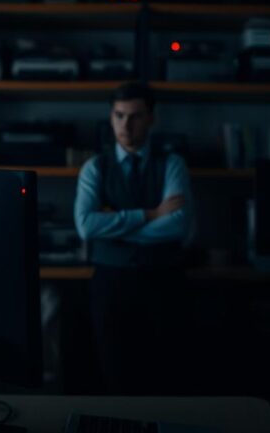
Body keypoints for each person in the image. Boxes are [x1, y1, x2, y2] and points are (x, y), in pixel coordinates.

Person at [74, 81, 193, 394]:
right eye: (119, 115)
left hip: (164, 281)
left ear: (151, 118)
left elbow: (178, 225)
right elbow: (86, 226)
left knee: (164, 374)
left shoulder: (172, 164)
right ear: (111, 117)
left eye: (135, 116)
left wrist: (115, 227)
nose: (125, 125)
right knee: (114, 375)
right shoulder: (94, 168)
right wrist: (151, 214)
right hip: (110, 284)